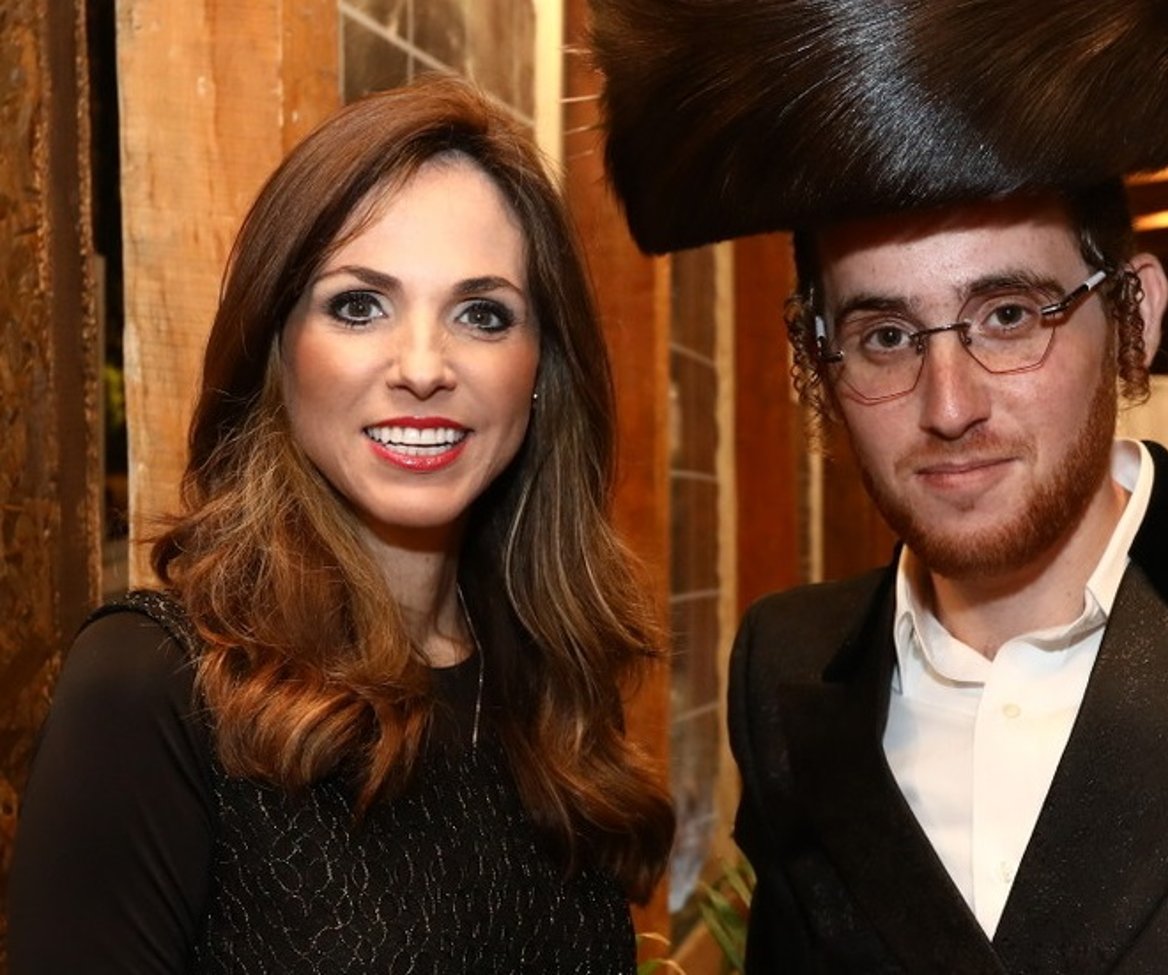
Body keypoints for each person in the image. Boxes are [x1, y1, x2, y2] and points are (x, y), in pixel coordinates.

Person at [589, 0, 1168, 971]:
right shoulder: (791, 667)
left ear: (1133, 315)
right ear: (818, 361)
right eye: (886, 336)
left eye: (1009, 315)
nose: (948, 404)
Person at [9, 74, 674, 972]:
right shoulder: (150, 686)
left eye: (482, 314)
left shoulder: (551, 685)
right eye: (358, 305)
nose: (424, 366)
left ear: (540, 371)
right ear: (277, 348)